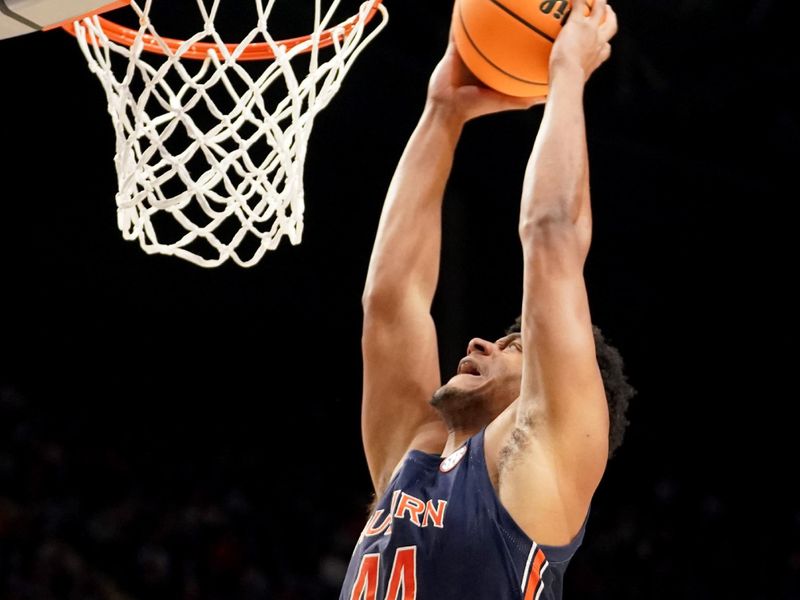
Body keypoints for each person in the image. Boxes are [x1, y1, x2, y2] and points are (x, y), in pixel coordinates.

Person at [340, 0, 633, 597]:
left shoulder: (543, 455)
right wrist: (442, 111)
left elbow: (551, 237)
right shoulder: (414, 456)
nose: (479, 343)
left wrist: (568, 73)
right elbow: (391, 302)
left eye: (513, 345)